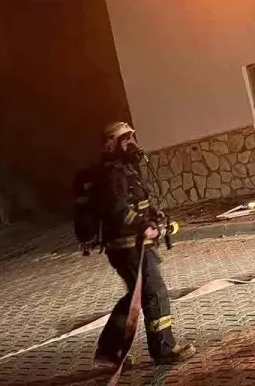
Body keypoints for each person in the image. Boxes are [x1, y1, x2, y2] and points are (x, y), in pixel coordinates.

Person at [82, 121, 195, 367]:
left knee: (136, 295)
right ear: (111, 144)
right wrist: (143, 226)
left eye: (132, 137)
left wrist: (154, 214)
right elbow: (118, 211)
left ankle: (110, 352)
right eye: (125, 139)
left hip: (132, 245)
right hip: (127, 246)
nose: (131, 143)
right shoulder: (111, 173)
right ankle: (163, 349)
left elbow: (137, 200)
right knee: (154, 292)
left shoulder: (125, 169)